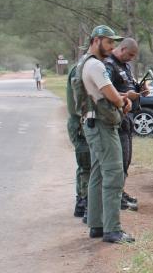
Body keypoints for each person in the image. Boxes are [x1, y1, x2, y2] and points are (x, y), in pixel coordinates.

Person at [78, 25, 134, 243]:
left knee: (98, 174)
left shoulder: (84, 62)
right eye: (109, 42)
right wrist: (123, 102)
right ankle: (112, 229)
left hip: (92, 123)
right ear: (96, 40)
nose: (112, 47)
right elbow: (110, 92)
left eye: (114, 43)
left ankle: (97, 225)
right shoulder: (95, 65)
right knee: (113, 174)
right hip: (102, 125)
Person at [104, 38, 147, 211]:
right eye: (129, 55)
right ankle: (116, 196)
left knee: (126, 160)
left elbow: (130, 87)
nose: (130, 59)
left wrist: (140, 89)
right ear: (122, 49)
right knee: (119, 161)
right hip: (116, 118)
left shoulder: (125, 66)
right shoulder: (108, 65)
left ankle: (120, 192)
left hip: (128, 118)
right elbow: (106, 92)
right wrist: (126, 95)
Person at [65, 64, 90, 220]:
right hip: (80, 124)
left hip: (81, 123)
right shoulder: (79, 70)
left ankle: (82, 203)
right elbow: (80, 102)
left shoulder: (81, 67)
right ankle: (84, 203)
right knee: (86, 165)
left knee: (85, 166)